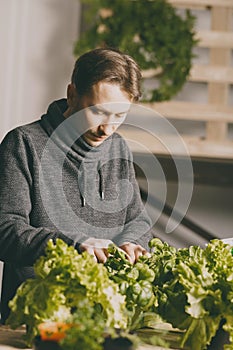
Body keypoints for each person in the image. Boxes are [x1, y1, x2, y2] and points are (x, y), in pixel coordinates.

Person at [0, 48, 153, 323]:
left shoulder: (118, 147)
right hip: (36, 318)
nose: (107, 129)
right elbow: (5, 230)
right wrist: (72, 246)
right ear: (72, 94)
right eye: (98, 112)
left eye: (119, 116)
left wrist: (132, 243)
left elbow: (137, 219)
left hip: (107, 317)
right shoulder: (23, 144)